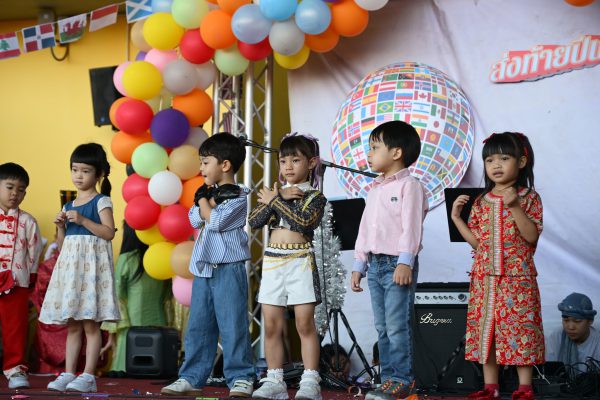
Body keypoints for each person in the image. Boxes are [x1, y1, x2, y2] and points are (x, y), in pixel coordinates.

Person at [451, 132, 544, 400]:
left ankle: (524, 387)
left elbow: (531, 236)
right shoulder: (481, 201)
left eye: (504, 158)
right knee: (487, 331)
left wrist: (514, 206)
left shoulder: (529, 198)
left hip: (517, 278)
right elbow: (478, 244)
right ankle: (490, 387)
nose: (496, 165)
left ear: (522, 162)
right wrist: (457, 219)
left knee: (520, 328)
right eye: (490, 160)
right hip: (485, 279)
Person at [161, 132, 255, 398]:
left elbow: (215, 222)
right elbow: (195, 219)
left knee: (233, 325)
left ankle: (241, 377)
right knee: (199, 327)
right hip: (203, 268)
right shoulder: (211, 194)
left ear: (225, 165)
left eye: (205, 162)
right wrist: (207, 201)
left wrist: (204, 201)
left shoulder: (238, 196)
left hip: (228, 268)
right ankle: (191, 377)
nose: (201, 168)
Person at [351, 121, 428, 400]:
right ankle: (387, 380)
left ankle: (402, 380)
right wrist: (359, 265)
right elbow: (365, 230)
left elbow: (412, 227)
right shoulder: (374, 190)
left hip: (397, 264)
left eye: (374, 148)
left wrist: (406, 261)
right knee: (382, 327)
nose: (369, 154)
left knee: (396, 326)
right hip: (375, 265)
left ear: (396, 153)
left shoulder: (410, 186)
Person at [248, 133, 327, 400]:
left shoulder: (315, 196)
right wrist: (279, 195)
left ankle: (310, 381)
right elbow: (254, 221)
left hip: (300, 261)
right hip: (273, 262)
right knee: (271, 325)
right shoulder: (277, 192)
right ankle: (274, 380)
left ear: (312, 163)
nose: (288, 167)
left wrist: (276, 201)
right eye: (283, 161)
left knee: (304, 324)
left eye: (296, 160)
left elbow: (302, 222)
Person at [39, 143, 120, 393]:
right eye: (75, 170)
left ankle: (88, 376)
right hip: (72, 273)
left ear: (99, 174)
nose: (78, 176)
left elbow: (108, 233)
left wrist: (84, 220)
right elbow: (64, 244)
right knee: (73, 325)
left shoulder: (101, 201)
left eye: (85, 171)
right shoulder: (68, 205)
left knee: (90, 325)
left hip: (91, 273)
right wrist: (60, 227)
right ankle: (68, 372)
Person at [99, 222, 170, 375]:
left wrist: (112, 335)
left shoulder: (127, 259)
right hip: (160, 324)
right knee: (156, 372)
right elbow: (168, 295)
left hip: (131, 326)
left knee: (128, 372)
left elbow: (117, 297)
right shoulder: (161, 258)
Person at [0, 162, 43, 389]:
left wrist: (31, 278)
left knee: (15, 327)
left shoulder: (28, 221)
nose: (15, 194)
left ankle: (15, 369)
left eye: (21, 190)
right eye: (9, 187)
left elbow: (34, 252)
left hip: (17, 282)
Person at [546, 293, 600, 370]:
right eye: (566, 320)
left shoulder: (597, 342)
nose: (570, 327)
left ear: (590, 321)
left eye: (577, 321)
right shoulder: (556, 336)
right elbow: (549, 370)